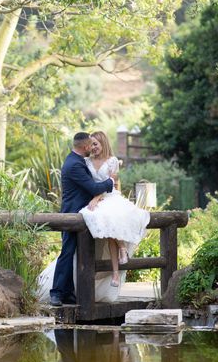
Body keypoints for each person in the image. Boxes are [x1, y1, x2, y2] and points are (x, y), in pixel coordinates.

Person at [48, 132, 115, 307]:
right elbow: (93, 187)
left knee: (75, 253)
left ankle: (68, 293)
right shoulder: (74, 165)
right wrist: (110, 182)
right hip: (71, 215)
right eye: (90, 146)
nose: (92, 148)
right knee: (67, 252)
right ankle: (56, 293)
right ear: (85, 147)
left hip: (81, 214)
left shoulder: (75, 160)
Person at [79, 131, 150, 288]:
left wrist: (98, 198)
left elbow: (112, 182)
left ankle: (117, 272)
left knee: (112, 225)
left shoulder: (112, 161)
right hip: (96, 198)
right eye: (91, 145)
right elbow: (88, 184)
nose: (93, 147)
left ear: (103, 143)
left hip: (110, 196)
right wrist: (95, 198)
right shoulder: (86, 162)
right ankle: (121, 250)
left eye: (96, 144)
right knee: (108, 228)